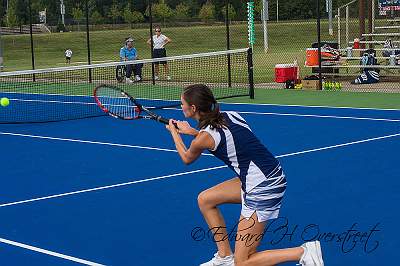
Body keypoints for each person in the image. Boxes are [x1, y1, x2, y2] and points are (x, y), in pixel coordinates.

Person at [165, 84, 324, 266]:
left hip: (262, 187)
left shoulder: (204, 138)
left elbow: (187, 158)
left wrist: (175, 134)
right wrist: (193, 132)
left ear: (193, 108)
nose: (181, 107)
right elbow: (224, 139)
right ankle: (224, 256)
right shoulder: (231, 116)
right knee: (205, 199)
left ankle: (304, 252)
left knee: (243, 262)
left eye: (182, 103)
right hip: (270, 175)